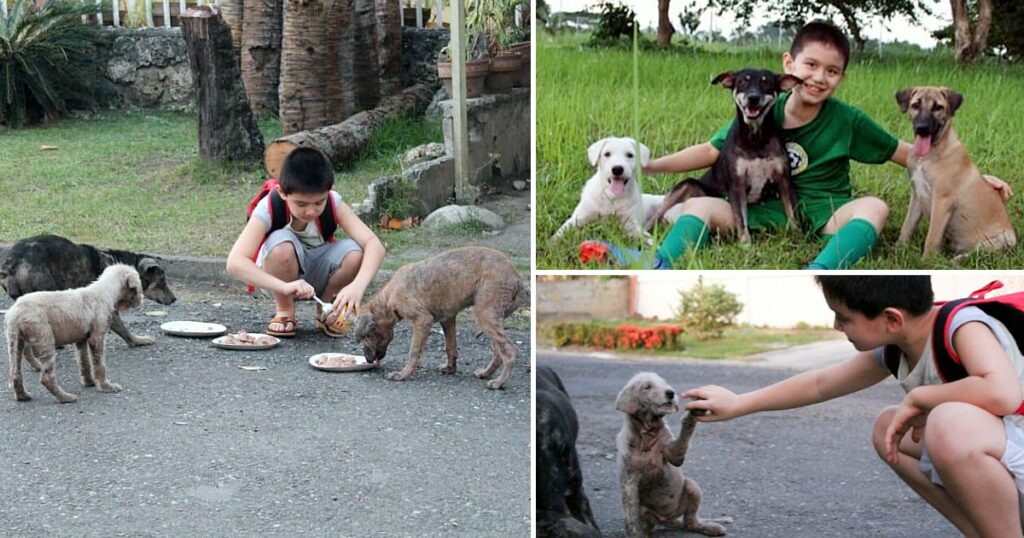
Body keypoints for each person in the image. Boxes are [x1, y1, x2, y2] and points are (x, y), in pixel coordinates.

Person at [580, 21, 1011, 269]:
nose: (819, 78)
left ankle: (819, 269)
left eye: (832, 71)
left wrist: (970, 177)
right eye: (811, 65)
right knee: (694, 207)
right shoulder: (761, 110)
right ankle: (652, 263)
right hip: (760, 207)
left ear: (841, 77)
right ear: (790, 66)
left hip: (827, 210)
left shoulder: (848, 119)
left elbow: (907, 153)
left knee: (875, 207)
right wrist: (649, 167)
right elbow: (712, 152)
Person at [684, 276, 1024, 536]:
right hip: (1008, 453)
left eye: (843, 317)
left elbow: (1003, 393)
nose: (836, 326)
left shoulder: (963, 327)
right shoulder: (897, 344)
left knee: (947, 424)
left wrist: (921, 397)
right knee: (886, 428)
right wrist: (740, 403)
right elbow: (821, 384)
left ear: (891, 319)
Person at [226, 147, 386, 338]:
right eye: (301, 204)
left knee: (356, 252)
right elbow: (235, 262)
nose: (311, 212)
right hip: (277, 279)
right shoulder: (270, 206)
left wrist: (357, 286)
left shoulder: (334, 202)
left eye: (319, 202)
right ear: (283, 192)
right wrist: (284, 287)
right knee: (281, 247)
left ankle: (326, 308)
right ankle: (285, 310)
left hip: (318, 272)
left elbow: (374, 244)